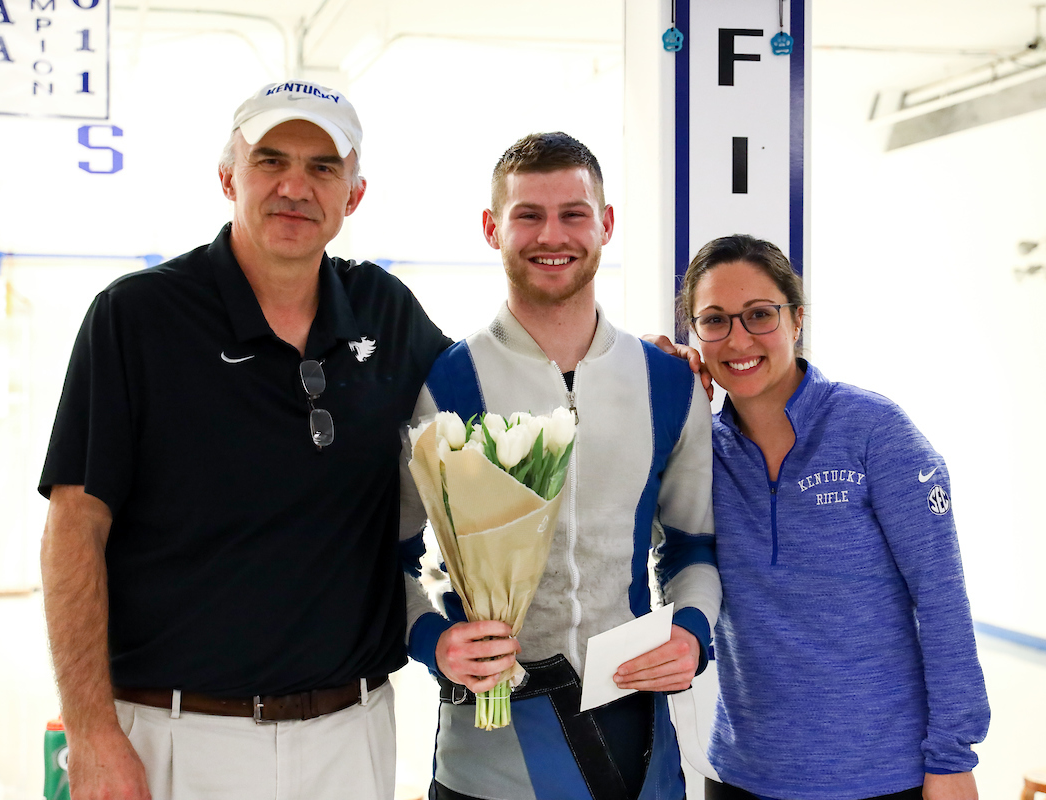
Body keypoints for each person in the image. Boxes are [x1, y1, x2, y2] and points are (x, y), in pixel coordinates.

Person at [38, 80, 448, 800]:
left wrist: (657, 361)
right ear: (228, 177)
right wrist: (91, 731)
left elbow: (499, 403)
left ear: (353, 195)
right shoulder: (136, 319)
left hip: (350, 737)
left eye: (323, 167)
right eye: (270, 160)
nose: (295, 185)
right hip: (176, 739)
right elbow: (74, 529)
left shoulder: (388, 314)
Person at [399, 132, 720, 800]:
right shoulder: (443, 384)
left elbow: (694, 545)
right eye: (528, 214)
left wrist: (691, 630)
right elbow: (390, 556)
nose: (553, 234)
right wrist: (435, 640)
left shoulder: (668, 383)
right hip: (489, 751)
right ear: (493, 228)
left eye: (574, 213)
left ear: (606, 224)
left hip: (636, 735)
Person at [672, 234, 990, 800]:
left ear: (796, 320)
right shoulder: (700, 453)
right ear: (695, 336)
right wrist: (655, 381)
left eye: (760, 315)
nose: (738, 338)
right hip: (744, 774)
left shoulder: (875, 431)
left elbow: (941, 599)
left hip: (883, 777)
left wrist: (952, 757)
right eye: (714, 320)